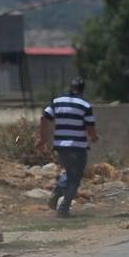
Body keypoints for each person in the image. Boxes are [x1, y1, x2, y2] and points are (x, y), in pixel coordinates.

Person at [37, 77, 98, 218]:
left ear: (70, 88)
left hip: (61, 146)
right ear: (82, 90)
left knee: (70, 173)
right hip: (78, 147)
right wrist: (94, 137)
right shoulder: (85, 105)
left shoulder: (57, 101)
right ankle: (63, 209)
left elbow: (44, 118)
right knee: (75, 178)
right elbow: (90, 127)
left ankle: (56, 194)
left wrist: (43, 139)